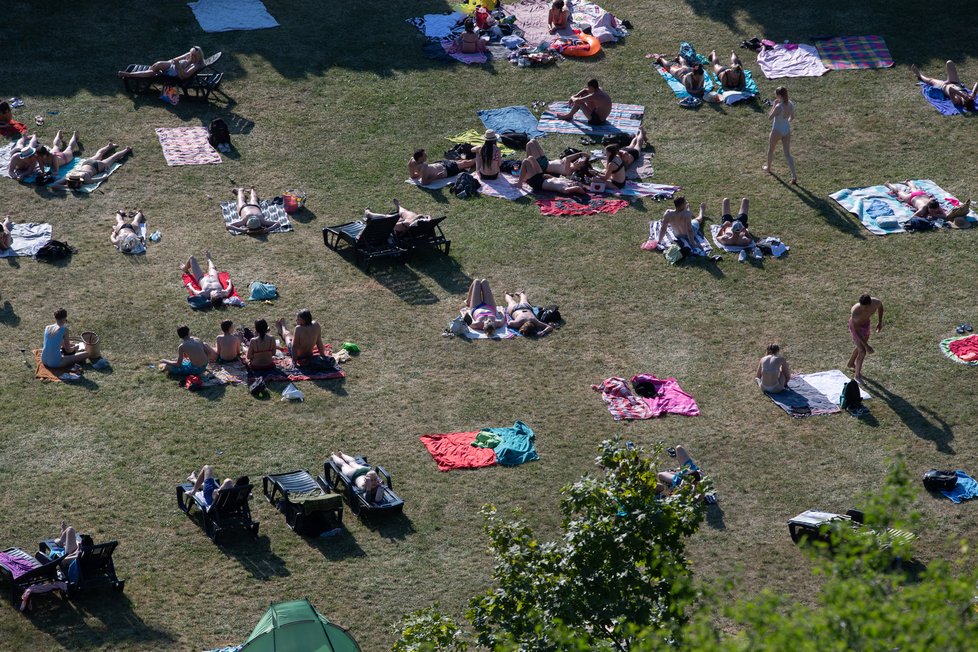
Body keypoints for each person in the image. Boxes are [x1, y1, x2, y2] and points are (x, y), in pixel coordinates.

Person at [885, 181, 972, 225]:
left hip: (921, 194)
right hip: (912, 198)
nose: (935, 212)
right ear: (928, 208)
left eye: (936, 210)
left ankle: (908, 182)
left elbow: (945, 215)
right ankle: (889, 184)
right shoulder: (923, 208)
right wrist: (927, 216)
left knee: (913, 188)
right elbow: (913, 217)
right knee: (899, 192)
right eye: (933, 211)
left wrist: (936, 215)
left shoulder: (936, 206)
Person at [50, 143, 132, 190]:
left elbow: (102, 178)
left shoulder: (85, 179)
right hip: (86, 163)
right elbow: (54, 185)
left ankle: (126, 150)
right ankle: (109, 146)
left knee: (114, 157)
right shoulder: (69, 176)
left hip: (97, 167)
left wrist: (105, 172)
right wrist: (67, 185)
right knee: (99, 154)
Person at [518, 148, 590, 198]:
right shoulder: (568, 181)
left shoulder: (566, 189)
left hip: (537, 182)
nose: (576, 182)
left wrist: (580, 188)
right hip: (542, 177)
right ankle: (525, 175)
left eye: (577, 184)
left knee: (525, 162)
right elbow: (554, 179)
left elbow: (579, 190)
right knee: (530, 157)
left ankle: (519, 184)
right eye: (577, 182)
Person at [912, 61, 977, 111]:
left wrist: (963, 95)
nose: (968, 97)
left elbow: (950, 89)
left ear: (963, 103)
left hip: (944, 86)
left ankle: (919, 75)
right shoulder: (970, 98)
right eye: (969, 98)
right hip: (955, 82)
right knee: (949, 63)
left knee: (930, 80)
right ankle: (948, 79)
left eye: (966, 99)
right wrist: (973, 93)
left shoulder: (957, 101)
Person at [847, 294, 884, 384]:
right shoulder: (855, 312)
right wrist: (867, 346)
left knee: (861, 347)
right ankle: (857, 376)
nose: (863, 309)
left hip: (866, 324)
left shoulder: (876, 302)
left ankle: (851, 363)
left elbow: (881, 308)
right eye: (862, 307)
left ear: (870, 304)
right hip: (856, 328)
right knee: (862, 351)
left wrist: (879, 322)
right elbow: (857, 331)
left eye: (866, 308)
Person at [763, 87, 796, 184]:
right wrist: (786, 122)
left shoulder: (778, 107)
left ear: (779, 96)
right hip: (786, 130)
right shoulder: (791, 104)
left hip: (777, 130)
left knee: (771, 150)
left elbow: (770, 117)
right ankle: (793, 175)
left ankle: (768, 168)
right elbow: (792, 117)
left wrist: (774, 105)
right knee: (788, 154)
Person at [117, 46, 206, 80]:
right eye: (191, 53)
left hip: (176, 74)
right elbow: (175, 59)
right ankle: (147, 74)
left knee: (153, 71)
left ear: (198, 56)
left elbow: (185, 75)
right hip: (172, 67)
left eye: (194, 55)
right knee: (158, 64)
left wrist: (178, 65)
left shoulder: (196, 64)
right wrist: (170, 62)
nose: (191, 56)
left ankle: (130, 75)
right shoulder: (189, 55)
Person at [525, 138, 591, 178]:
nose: (577, 161)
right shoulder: (571, 164)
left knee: (529, 144)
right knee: (533, 140)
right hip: (545, 161)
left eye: (579, 162)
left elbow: (568, 158)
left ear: (579, 168)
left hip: (543, 165)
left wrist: (580, 154)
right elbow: (588, 157)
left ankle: (527, 165)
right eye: (579, 160)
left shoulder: (569, 171)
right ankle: (528, 163)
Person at [409, 148, 476, 185]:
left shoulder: (411, 161)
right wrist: (435, 176)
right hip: (447, 170)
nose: (426, 156)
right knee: (465, 163)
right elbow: (424, 182)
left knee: (461, 162)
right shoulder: (424, 166)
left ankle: (476, 159)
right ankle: (480, 157)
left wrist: (421, 174)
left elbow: (412, 176)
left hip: (441, 164)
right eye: (424, 155)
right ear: (420, 158)